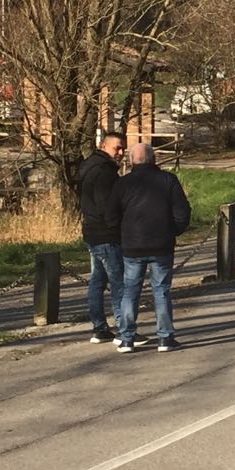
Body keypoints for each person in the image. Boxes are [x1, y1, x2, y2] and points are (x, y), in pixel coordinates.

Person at [105, 144, 191, 353]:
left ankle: (126, 338)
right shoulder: (168, 180)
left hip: (132, 245)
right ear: (154, 159)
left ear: (132, 160)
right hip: (161, 244)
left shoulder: (123, 183)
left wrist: (121, 234)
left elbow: (110, 216)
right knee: (161, 291)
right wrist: (174, 231)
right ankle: (165, 337)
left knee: (130, 291)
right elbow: (182, 211)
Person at [77, 132, 139, 345]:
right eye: (117, 148)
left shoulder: (88, 166)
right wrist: (119, 225)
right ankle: (124, 330)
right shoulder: (104, 172)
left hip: (92, 231)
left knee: (97, 280)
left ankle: (99, 327)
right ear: (104, 146)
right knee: (118, 282)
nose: (121, 153)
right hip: (106, 234)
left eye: (123, 149)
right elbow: (107, 206)